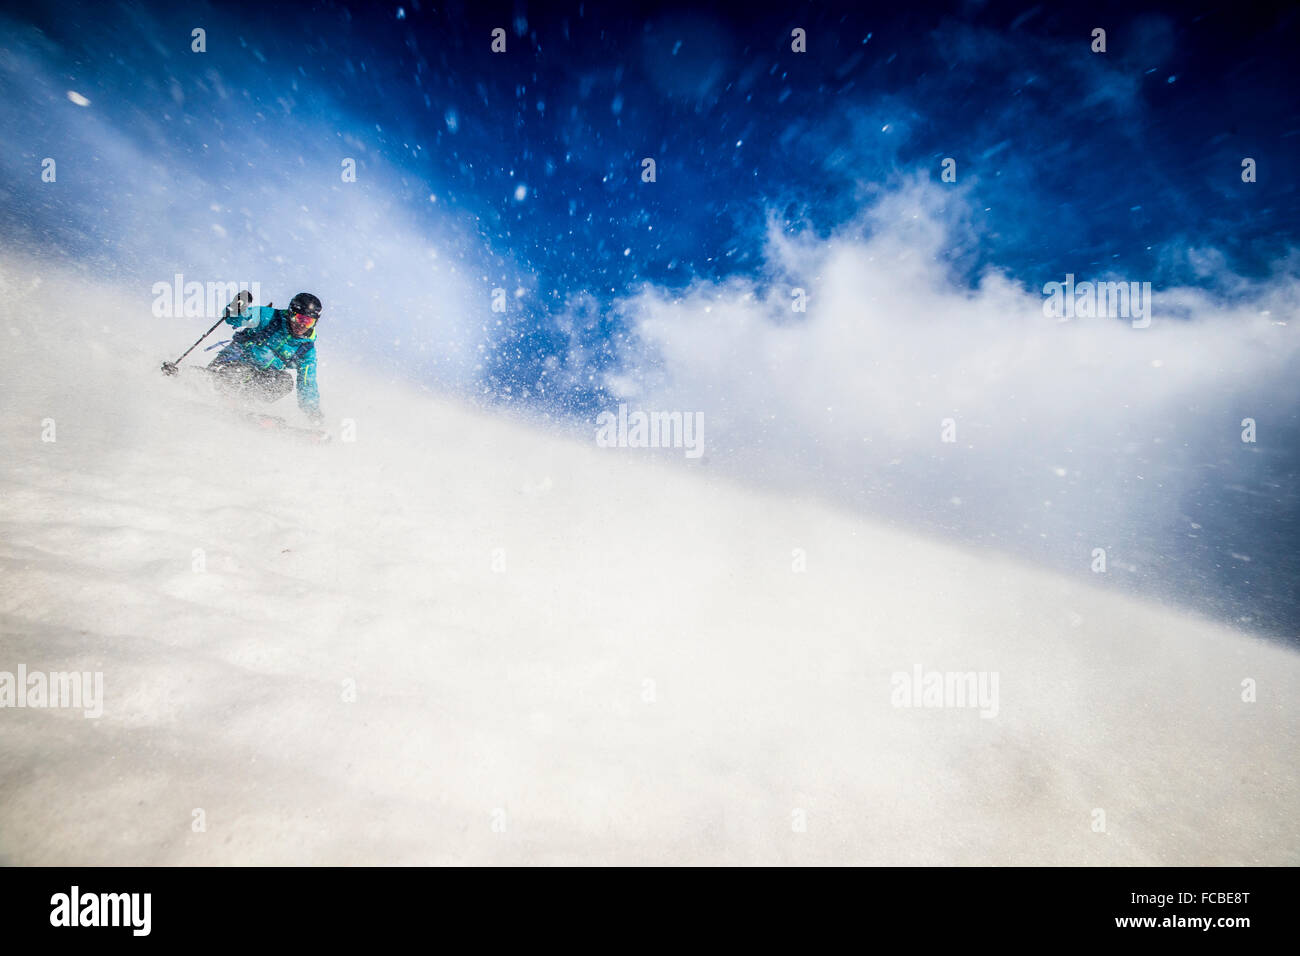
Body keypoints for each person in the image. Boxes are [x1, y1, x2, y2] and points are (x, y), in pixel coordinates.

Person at [208, 292, 324, 424]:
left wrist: (313, 414)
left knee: (284, 382)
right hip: (230, 366)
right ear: (291, 313)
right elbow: (233, 319)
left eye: (308, 321)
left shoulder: (306, 349)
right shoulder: (268, 317)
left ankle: (243, 405)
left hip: (253, 379)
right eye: (299, 319)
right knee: (242, 370)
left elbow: (307, 383)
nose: (302, 325)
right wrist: (236, 308)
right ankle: (218, 394)